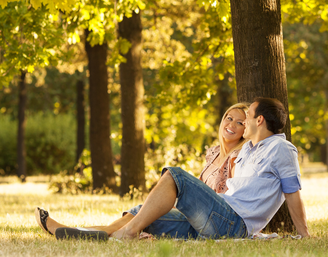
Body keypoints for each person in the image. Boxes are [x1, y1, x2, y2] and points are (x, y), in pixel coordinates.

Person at [34, 103, 249, 239]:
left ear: (246, 130)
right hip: (192, 217)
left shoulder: (239, 156)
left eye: (240, 122)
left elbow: (228, 198)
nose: (232, 124)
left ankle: (102, 233)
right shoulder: (212, 153)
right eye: (229, 118)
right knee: (140, 211)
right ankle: (82, 232)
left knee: (166, 186)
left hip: (212, 221)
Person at [111, 97, 310, 240]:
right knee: (144, 213)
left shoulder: (281, 148)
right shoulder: (248, 150)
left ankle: (127, 234)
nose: (243, 122)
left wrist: (305, 235)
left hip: (233, 223)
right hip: (218, 216)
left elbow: (292, 192)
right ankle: (96, 234)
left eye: (246, 117)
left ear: (259, 121)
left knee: (176, 175)